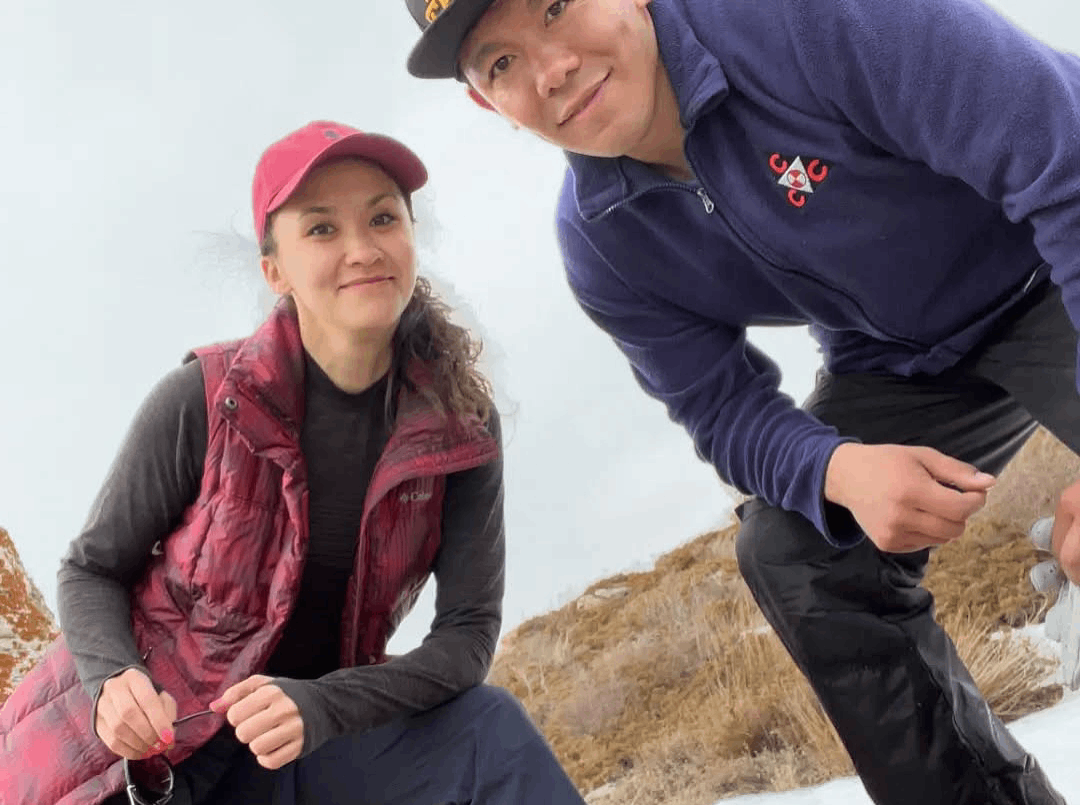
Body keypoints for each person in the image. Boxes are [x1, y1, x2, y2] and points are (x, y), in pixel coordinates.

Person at [401, 0, 1080, 803]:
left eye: (556, 5)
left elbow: (1064, 156)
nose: (551, 71)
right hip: (901, 358)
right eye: (501, 63)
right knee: (795, 552)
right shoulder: (602, 245)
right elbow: (722, 411)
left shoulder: (805, 18)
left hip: (1045, 256)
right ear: (489, 103)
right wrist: (837, 469)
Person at [0, 120, 586, 805]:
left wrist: (325, 704)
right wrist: (113, 681)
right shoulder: (205, 399)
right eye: (322, 229)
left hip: (294, 754)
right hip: (139, 763)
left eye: (383, 218)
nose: (362, 250)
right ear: (275, 269)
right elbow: (92, 569)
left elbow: (467, 634)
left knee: (490, 732)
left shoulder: (461, 427)